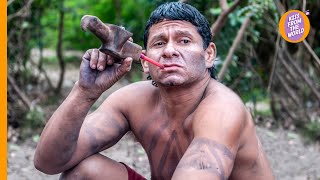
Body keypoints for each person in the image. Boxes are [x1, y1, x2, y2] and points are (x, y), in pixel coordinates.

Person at [34, 2, 274, 180]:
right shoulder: (133, 100)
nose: (169, 51)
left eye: (184, 41)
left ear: (209, 55)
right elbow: (48, 161)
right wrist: (84, 92)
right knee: (84, 173)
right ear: (146, 62)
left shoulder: (222, 109)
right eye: (159, 43)